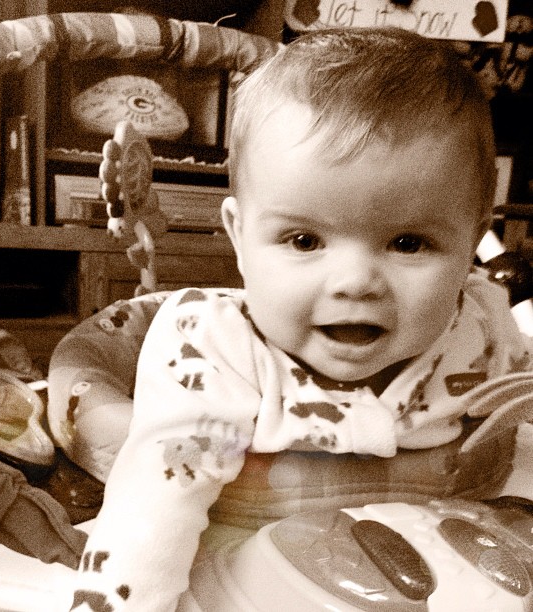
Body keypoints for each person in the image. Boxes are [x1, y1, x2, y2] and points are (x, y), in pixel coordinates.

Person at [66, 27, 532, 611]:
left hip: (444, 551)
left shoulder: (485, 323)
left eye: (409, 243)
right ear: (239, 238)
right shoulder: (210, 345)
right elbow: (150, 514)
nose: (355, 281)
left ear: (472, 243)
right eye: (304, 239)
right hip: (238, 564)